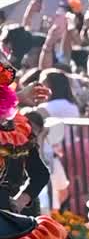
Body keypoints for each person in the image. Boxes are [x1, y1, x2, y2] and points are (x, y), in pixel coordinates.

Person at [0, 58, 49, 212]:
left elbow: (40, 174)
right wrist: (19, 97)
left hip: (7, 220)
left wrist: (19, 202)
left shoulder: (18, 129)